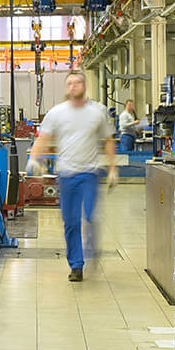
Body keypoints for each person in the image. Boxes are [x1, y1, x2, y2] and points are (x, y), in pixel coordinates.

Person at [27, 70, 117, 283]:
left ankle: (91, 246)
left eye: (77, 82)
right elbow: (43, 138)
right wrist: (34, 159)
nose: (73, 86)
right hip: (66, 174)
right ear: (66, 88)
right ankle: (76, 265)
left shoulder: (98, 112)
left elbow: (108, 140)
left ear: (85, 86)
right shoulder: (56, 113)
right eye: (69, 83)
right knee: (71, 222)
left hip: (90, 173)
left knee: (90, 215)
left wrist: (113, 168)